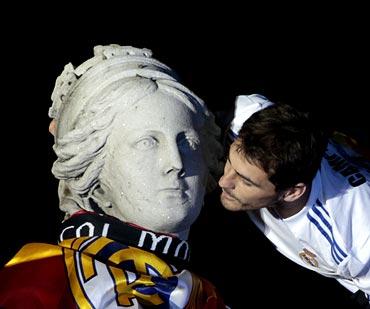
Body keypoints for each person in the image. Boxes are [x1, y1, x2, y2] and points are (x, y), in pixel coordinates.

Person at [0, 44, 225, 308]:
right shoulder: (38, 279)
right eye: (147, 142)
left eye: (186, 141)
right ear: (95, 176)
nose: (174, 162)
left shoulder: (206, 297)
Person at [218, 94, 370, 307]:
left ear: (292, 192)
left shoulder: (357, 239)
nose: (224, 181)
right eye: (229, 162)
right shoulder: (244, 114)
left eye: (246, 181)